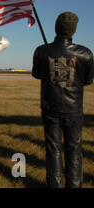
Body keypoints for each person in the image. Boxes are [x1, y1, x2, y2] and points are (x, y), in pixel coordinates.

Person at [32, 11, 93, 188]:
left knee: (54, 149)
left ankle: (55, 184)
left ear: (56, 28)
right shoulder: (85, 53)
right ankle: (74, 184)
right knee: (74, 149)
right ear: (73, 30)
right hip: (73, 108)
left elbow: (36, 74)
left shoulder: (42, 51)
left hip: (51, 107)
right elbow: (88, 80)